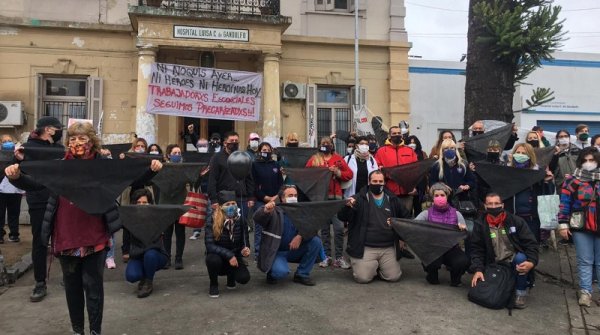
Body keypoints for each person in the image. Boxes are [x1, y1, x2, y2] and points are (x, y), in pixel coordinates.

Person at [6, 121, 163, 334]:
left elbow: (129, 178)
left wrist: (151, 171)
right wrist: (16, 177)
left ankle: (95, 330)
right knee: (72, 289)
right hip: (66, 235)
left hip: (94, 236)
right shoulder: (60, 166)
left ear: (92, 142)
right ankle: (78, 330)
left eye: (82, 139)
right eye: (72, 139)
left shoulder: (103, 167)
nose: (77, 143)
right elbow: (35, 183)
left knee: (94, 288)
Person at [12, 116, 64, 302]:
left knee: (64, 239)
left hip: (61, 198)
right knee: (40, 242)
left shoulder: (59, 149)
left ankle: (70, 276)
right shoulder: (28, 148)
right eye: (58, 128)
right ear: (49, 129)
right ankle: (39, 282)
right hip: (39, 201)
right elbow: (20, 172)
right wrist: (17, 158)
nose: (60, 132)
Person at [337, 170, 411, 283]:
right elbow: (342, 217)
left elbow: (406, 218)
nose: (378, 183)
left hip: (388, 246)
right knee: (363, 278)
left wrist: (401, 237)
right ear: (369, 182)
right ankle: (367, 264)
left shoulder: (393, 199)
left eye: (380, 181)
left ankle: (378, 266)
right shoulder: (358, 198)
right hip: (365, 247)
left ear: (384, 182)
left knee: (394, 277)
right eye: (374, 181)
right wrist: (348, 207)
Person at [470, 193, 539, 309]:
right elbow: (477, 249)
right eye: (490, 204)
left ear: (502, 205)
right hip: (492, 263)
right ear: (485, 206)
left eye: (496, 203)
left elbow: (531, 243)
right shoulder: (480, 224)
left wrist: (532, 261)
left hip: (512, 261)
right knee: (487, 297)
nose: (493, 206)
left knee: (521, 258)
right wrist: (478, 269)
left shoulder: (516, 221)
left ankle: (520, 293)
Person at [253, 185, 322, 285]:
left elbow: (312, 227)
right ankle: (272, 272)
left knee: (316, 241)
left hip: (293, 250)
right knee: (280, 273)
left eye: (295, 195)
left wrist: (300, 236)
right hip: (276, 252)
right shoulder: (274, 210)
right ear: (282, 198)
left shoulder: (300, 211)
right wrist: (265, 210)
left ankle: (302, 274)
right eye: (290, 195)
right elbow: (257, 218)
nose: (293, 198)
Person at [558, 147, 600, 307]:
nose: (588, 163)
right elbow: (564, 203)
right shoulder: (572, 180)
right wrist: (562, 224)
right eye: (585, 160)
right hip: (581, 225)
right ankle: (585, 292)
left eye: (592, 160)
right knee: (585, 260)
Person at [306, 136, 353, 269]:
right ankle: (326, 256)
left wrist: (337, 172)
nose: (325, 145)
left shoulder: (338, 158)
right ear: (319, 145)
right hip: (321, 199)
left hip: (336, 199)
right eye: (323, 143)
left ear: (332, 145)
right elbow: (307, 174)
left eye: (328, 143)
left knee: (338, 229)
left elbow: (349, 174)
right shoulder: (315, 159)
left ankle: (339, 257)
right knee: (324, 229)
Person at [415, 183, 469, 286]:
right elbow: (413, 225)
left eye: (442, 195)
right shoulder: (426, 214)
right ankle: (432, 276)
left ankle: (456, 279)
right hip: (433, 248)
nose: (440, 197)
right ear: (432, 198)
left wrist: (462, 228)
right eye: (436, 195)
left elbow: (465, 233)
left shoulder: (456, 213)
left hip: (452, 248)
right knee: (429, 260)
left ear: (447, 196)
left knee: (463, 261)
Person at [505, 143, 555, 244]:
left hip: (532, 219)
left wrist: (547, 182)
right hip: (512, 218)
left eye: (524, 153)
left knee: (531, 247)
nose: (520, 155)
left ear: (530, 156)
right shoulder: (507, 172)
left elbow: (548, 195)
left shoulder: (538, 172)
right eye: (518, 152)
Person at [205, 190, 251, 298]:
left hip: (235, 256)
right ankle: (213, 284)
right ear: (221, 206)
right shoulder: (212, 220)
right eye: (228, 204)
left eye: (233, 203)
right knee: (212, 260)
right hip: (219, 257)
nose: (231, 206)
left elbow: (245, 240)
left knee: (244, 278)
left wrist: (246, 249)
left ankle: (231, 278)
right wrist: (229, 255)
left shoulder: (241, 220)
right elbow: (209, 245)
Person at [125, 188, 169, 298]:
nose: (141, 205)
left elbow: (156, 245)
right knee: (131, 276)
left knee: (150, 255)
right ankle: (144, 276)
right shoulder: (129, 219)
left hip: (156, 254)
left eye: (144, 202)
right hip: (138, 255)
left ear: (149, 203)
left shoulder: (156, 218)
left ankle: (148, 282)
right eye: (138, 202)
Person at [207, 131, 255, 224]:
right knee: (224, 227)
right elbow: (212, 180)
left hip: (241, 198)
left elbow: (249, 179)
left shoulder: (244, 157)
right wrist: (213, 199)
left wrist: (251, 197)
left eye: (236, 140)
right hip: (224, 199)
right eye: (231, 140)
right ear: (225, 143)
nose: (234, 142)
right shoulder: (217, 158)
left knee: (242, 227)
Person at [374, 125, 418, 215]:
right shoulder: (381, 151)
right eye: (394, 133)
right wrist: (386, 173)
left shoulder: (409, 150)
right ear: (389, 136)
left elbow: (416, 171)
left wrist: (414, 187)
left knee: (405, 220)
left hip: (407, 193)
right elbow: (377, 169)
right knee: (389, 218)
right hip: (389, 193)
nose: (397, 135)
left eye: (399, 133)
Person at [251, 142, 283, 258]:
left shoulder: (276, 165)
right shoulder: (254, 165)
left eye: (268, 150)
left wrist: (275, 197)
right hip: (261, 200)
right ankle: (258, 253)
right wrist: (265, 198)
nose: (266, 152)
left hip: (275, 200)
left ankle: (273, 251)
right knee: (259, 228)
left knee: (275, 226)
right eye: (264, 150)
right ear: (260, 151)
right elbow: (253, 185)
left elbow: (281, 183)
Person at [161, 144, 187, 270]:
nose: (177, 155)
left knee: (180, 233)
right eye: (175, 153)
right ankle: (166, 258)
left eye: (179, 153)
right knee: (167, 234)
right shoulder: (162, 168)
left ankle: (178, 258)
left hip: (180, 204)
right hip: (166, 205)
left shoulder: (184, 168)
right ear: (168, 155)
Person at [429, 139, 477, 204]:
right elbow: (432, 183)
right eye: (446, 148)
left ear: (455, 150)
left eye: (452, 148)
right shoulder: (436, 165)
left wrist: (467, 186)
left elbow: (472, 180)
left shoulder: (463, 164)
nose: (449, 150)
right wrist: (441, 186)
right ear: (442, 151)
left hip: (461, 199)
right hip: (443, 200)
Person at [0, 134, 24, 244]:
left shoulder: (18, 154)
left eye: (10, 140)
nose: (8, 143)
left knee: (14, 213)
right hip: (1, 189)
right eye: (5, 141)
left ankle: (14, 234)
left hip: (15, 189)